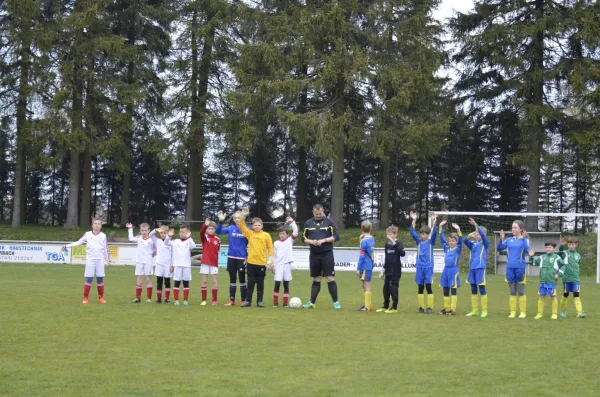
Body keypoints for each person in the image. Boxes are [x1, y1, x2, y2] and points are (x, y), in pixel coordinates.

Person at [301, 204, 341, 309]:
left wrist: (324, 240)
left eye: (320, 213)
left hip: (327, 253)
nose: (319, 215)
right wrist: (311, 241)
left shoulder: (329, 222)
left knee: (329, 277)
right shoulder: (308, 223)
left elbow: (336, 237)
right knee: (317, 278)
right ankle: (312, 302)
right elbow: (303, 238)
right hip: (314, 254)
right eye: (316, 214)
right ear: (313, 212)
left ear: (323, 211)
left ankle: (336, 303)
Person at [63, 217, 111, 304]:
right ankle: (85, 298)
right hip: (90, 260)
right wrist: (67, 246)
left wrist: (108, 260)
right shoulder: (87, 234)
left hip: (100, 260)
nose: (96, 225)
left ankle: (101, 298)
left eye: (98, 224)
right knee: (89, 278)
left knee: (100, 279)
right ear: (92, 225)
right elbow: (78, 243)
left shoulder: (103, 235)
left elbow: (105, 248)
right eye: (95, 223)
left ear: (101, 226)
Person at [235, 208, 274, 308]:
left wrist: (271, 258)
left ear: (262, 226)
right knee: (250, 283)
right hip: (251, 263)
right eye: (255, 225)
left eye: (259, 225)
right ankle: (248, 301)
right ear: (252, 226)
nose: (257, 227)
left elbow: (270, 247)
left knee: (260, 283)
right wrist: (243, 216)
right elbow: (241, 226)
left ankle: (259, 301)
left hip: (262, 263)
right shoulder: (250, 234)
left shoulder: (266, 235)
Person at [497, 220, 531, 318]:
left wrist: (524, 239)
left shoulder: (525, 240)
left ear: (521, 229)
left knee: (520, 291)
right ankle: (512, 312)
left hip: (520, 268)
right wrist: (501, 239)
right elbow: (499, 248)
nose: (513, 229)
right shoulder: (508, 240)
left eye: (515, 227)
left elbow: (528, 250)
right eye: (512, 227)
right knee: (512, 291)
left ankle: (523, 312)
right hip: (510, 268)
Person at [216, 211, 249, 306]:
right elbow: (218, 231)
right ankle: (232, 300)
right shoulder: (231, 228)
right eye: (235, 218)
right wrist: (221, 222)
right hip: (231, 257)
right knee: (232, 279)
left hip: (242, 258)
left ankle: (243, 300)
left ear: (243, 218)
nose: (237, 219)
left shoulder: (247, 229)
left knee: (242, 279)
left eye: (239, 217)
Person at [409, 211, 438, 314]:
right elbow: (412, 231)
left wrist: (434, 221)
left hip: (428, 268)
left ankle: (430, 307)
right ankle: (421, 307)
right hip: (419, 268)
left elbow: (435, 232)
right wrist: (414, 220)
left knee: (428, 287)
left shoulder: (431, 242)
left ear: (428, 234)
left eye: (424, 234)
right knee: (420, 287)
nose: (422, 236)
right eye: (421, 234)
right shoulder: (419, 242)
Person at [529, 242, 564, 320]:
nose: (548, 249)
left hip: (551, 281)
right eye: (546, 247)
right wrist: (531, 256)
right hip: (543, 281)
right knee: (541, 296)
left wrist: (558, 274)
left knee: (553, 296)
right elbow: (534, 263)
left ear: (554, 249)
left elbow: (563, 266)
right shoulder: (542, 257)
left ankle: (554, 314)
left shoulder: (557, 257)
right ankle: (539, 313)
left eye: (550, 247)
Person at [463, 218, 489, 318]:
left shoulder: (485, 244)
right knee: (473, 289)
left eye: (478, 234)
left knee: (482, 289)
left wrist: (476, 225)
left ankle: (484, 311)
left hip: (480, 268)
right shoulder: (473, 244)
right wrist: (470, 235)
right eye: (476, 234)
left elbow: (482, 235)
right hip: (472, 269)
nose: (477, 235)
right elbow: (465, 240)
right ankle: (475, 310)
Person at [376, 225, 405, 313]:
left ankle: (394, 307)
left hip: (395, 270)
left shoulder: (399, 243)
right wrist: (383, 270)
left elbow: (403, 253)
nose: (388, 236)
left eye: (390, 234)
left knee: (393, 287)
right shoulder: (387, 244)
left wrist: (394, 243)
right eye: (387, 234)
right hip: (388, 270)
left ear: (395, 234)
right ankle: (385, 306)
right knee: (386, 288)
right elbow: (386, 258)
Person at [127, 222, 158, 303]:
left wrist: (151, 255)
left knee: (148, 279)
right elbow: (131, 238)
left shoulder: (151, 239)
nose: (144, 232)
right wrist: (130, 228)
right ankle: (138, 298)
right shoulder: (139, 238)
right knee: (139, 278)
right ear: (140, 231)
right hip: (139, 262)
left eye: (145, 230)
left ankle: (149, 298)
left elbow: (156, 250)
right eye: (142, 230)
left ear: (149, 231)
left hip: (148, 262)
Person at [272, 217, 298, 307]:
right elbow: (274, 255)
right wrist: (273, 265)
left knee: (286, 284)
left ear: (287, 234)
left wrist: (292, 222)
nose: (282, 235)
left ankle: (285, 303)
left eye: (283, 234)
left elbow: (296, 232)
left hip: (287, 265)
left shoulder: (290, 241)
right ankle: (275, 303)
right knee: (277, 284)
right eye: (280, 234)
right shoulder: (276, 243)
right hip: (278, 265)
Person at [168, 225, 196, 307]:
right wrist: (169, 236)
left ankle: (185, 300)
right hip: (177, 265)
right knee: (177, 282)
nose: (181, 233)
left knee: (186, 283)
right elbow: (166, 243)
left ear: (187, 233)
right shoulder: (175, 241)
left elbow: (194, 246)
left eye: (183, 232)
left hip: (186, 266)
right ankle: (176, 300)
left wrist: (189, 237)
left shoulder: (189, 241)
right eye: (180, 232)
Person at [438, 220, 462, 315]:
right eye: (450, 241)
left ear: (456, 241)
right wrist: (440, 227)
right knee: (445, 289)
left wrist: (458, 230)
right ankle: (447, 308)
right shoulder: (447, 249)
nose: (451, 242)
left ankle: (453, 309)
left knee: (453, 289)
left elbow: (461, 241)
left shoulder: (458, 249)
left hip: (453, 270)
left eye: (453, 241)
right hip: (446, 271)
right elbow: (442, 240)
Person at [558, 237, 586, 318]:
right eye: (569, 244)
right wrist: (561, 246)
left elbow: (578, 264)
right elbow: (559, 254)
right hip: (566, 279)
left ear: (576, 245)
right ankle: (563, 311)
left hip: (576, 279)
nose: (571, 246)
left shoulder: (578, 255)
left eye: (572, 244)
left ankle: (579, 312)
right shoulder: (565, 253)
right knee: (565, 295)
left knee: (576, 295)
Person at [199, 219, 221, 306]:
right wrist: (205, 225)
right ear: (207, 230)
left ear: (215, 230)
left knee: (214, 281)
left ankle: (214, 300)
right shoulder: (205, 237)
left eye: (212, 229)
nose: (210, 230)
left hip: (214, 263)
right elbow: (201, 232)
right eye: (209, 229)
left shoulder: (218, 240)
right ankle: (204, 300)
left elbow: (218, 251)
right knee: (204, 281)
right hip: (205, 262)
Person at [356, 221, 375, 312]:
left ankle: (367, 306)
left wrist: (358, 268)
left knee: (366, 284)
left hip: (364, 266)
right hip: (370, 264)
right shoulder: (372, 239)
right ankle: (368, 304)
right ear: (371, 229)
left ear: (361, 228)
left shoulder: (364, 241)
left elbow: (362, 255)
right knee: (364, 284)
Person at [154, 226, 174, 304]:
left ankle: (167, 299)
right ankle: (159, 299)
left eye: (164, 233)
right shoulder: (157, 241)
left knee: (167, 282)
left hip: (167, 265)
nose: (163, 234)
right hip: (159, 265)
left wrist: (172, 265)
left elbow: (173, 255)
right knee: (159, 282)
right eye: (161, 233)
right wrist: (155, 230)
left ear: (168, 233)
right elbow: (151, 235)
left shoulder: (170, 242)